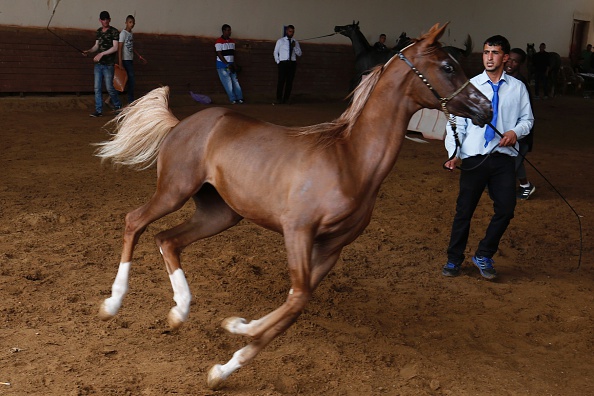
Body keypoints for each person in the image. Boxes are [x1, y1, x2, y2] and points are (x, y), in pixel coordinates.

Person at [442, 35, 534, 280]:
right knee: (465, 211)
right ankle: (454, 259)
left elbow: (528, 120)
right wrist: (453, 154)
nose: (489, 57)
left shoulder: (518, 88)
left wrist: (515, 132)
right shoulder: (470, 87)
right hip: (474, 157)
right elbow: (456, 124)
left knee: (506, 208)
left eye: (494, 53)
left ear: (505, 58)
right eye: (485, 52)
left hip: (503, 158)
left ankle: (484, 254)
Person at [505, 48, 536, 200]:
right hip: (506, 131)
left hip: (520, 133)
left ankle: (524, 186)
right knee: (515, 161)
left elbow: (526, 115)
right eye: (509, 59)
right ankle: (525, 185)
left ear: (520, 64)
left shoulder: (521, 85)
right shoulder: (503, 78)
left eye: (515, 61)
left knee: (513, 164)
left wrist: (518, 133)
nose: (510, 63)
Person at [83, 11, 122, 117]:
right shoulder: (99, 31)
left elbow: (115, 47)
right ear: (100, 20)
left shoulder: (114, 31)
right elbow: (96, 45)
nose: (105, 21)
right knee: (97, 88)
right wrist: (89, 51)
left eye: (106, 19)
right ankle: (98, 110)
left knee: (109, 87)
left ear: (109, 19)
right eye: (103, 19)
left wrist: (102, 54)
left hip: (108, 64)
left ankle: (118, 105)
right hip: (98, 65)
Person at [117, 15, 147, 104]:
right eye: (130, 22)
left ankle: (110, 99)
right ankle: (130, 100)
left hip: (130, 59)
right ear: (126, 22)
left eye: (133, 23)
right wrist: (120, 62)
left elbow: (131, 46)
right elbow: (120, 48)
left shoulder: (131, 33)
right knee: (131, 80)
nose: (132, 24)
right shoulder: (123, 34)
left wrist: (139, 56)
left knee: (125, 80)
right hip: (125, 60)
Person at [273, 25, 302, 105]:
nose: (291, 33)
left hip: (292, 63)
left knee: (289, 81)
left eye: (292, 32)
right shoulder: (280, 41)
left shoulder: (295, 42)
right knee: (281, 81)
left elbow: (299, 54)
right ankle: (279, 98)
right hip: (283, 63)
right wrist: (278, 61)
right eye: (290, 31)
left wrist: (294, 47)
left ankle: (286, 98)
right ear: (287, 31)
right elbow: (275, 52)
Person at [215, 24, 244, 104]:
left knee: (235, 81)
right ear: (223, 31)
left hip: (231, 65)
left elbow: (233, 54)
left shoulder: (232, 42)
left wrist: (233, 64)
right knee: (228, 83)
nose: (229, 32)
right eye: (228, 30)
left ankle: (240, 98)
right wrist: (227, 64)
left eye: (230, 30)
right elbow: (219, 54)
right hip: (222, 65)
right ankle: (233, 99)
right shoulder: (219, 42)